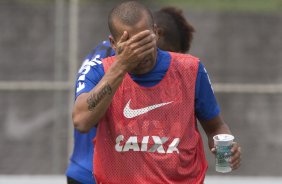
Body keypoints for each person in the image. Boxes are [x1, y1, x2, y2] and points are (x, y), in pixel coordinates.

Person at [73, 1, 242, 183]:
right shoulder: (99, 71)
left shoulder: (191, 69)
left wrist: (227, 145)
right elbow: (81, 121)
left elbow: (216, 127)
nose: (142, 53)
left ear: (155, 31)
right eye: (132, 45)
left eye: (145, 41)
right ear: (113, 43)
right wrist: (121, 65)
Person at [66, 6, 196, 184]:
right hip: (92, 174)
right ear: (157, 34)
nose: (169, 60)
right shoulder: (103, 60)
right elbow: (81, 119)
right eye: (171, 52)